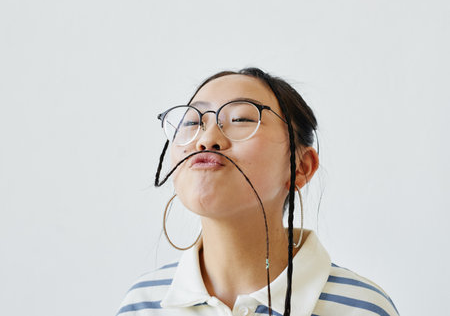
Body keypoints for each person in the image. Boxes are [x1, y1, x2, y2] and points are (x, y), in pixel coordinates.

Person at [116, 68, 399, 316]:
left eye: (240, 120)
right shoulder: (142, 304)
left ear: (300, 167)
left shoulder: (362, 308)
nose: (206, 138)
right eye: (191, 122)